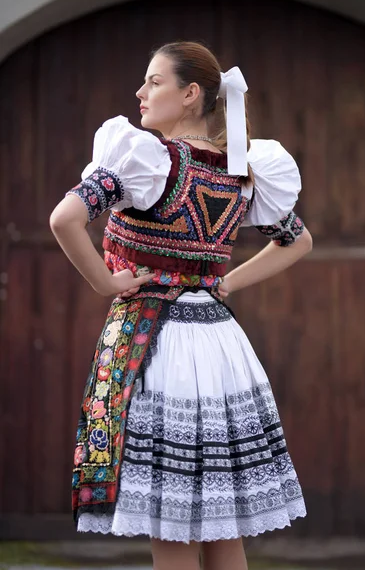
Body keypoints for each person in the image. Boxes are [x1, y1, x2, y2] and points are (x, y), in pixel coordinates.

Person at [50, 41, 312, 570]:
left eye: (154, 82)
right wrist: (227, 284)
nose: (140, 93)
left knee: (172, 531)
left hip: (160, 348)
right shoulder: (240, 172)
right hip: (220, 346)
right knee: (222, 531)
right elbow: (298, 239)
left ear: (191, 94)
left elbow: (64, 219)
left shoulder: (146, 161)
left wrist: (105, 282)